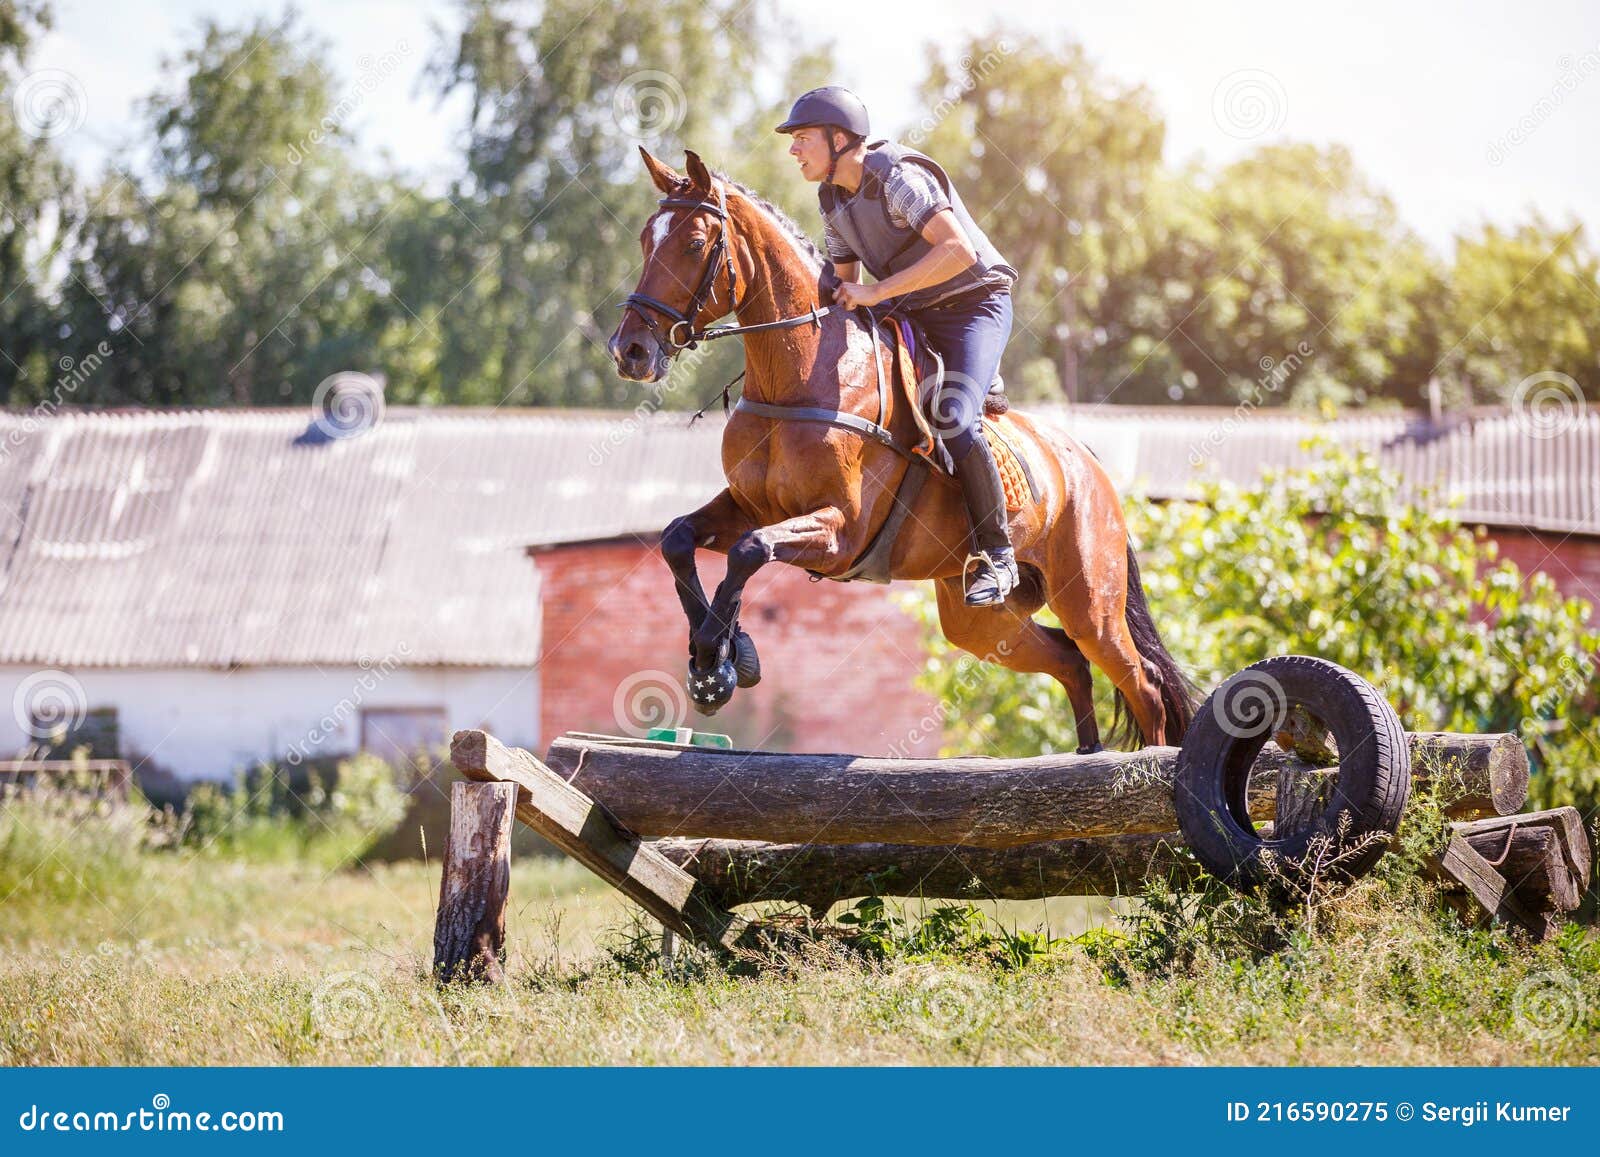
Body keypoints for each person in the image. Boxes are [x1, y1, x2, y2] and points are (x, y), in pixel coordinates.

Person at [776, 86, 1021, 607]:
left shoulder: (896, 178)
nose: (793, 150)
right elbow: (846, 287)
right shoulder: (832, 199)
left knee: (954, 417)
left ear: (840, 140)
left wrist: (875, 292)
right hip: (915, 312)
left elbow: (957, 252)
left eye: (802, 139)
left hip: (974, 306)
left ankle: (998, 555)